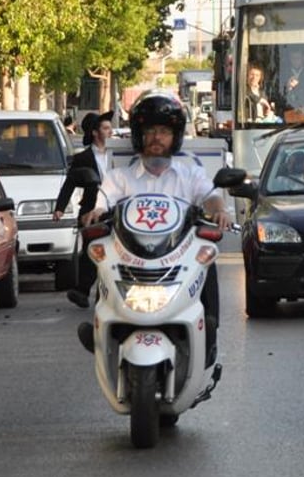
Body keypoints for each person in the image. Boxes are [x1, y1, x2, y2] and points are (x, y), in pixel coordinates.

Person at [76, 92, 231, 367]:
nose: (157, 137)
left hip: (177, 256)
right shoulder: (119, 178)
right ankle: (101, 328)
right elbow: (103, 200)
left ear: (175, 136)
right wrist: (97, 211)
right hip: (130, 258)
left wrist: (218, 209)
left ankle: (210, 330)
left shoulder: (190, 174)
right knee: (102, 259)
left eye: (164, 131)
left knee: (207, 256)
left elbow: (210, 195)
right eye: (150, 131)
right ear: (139, 135)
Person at [53, 111, 114, 309]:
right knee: (92, 252)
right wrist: (59, 208)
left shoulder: (118, 154)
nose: (110, 131)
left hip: (118, 211)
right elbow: (70, 183)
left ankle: (109, 295)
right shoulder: (84, 158)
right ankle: (82, 291)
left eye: (109, 127)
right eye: (105, 128)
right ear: (95, 133)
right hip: (91, 211)